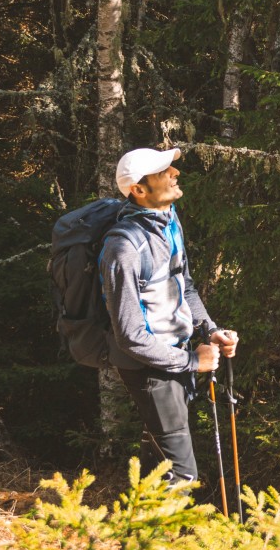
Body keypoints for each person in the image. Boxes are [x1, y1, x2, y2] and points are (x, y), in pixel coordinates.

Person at [100, 146, 238, 482]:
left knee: (158, 460)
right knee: (181, 474)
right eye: (164, 172)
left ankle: (140, 531)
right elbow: (131, 335)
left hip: (173, 356)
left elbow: (184, 286)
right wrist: (193, 362)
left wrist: (209, 330)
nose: (175, 174)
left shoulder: (168, 220)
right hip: (149, 368)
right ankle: (167, 535)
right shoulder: (123, 248)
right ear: (139, 190)